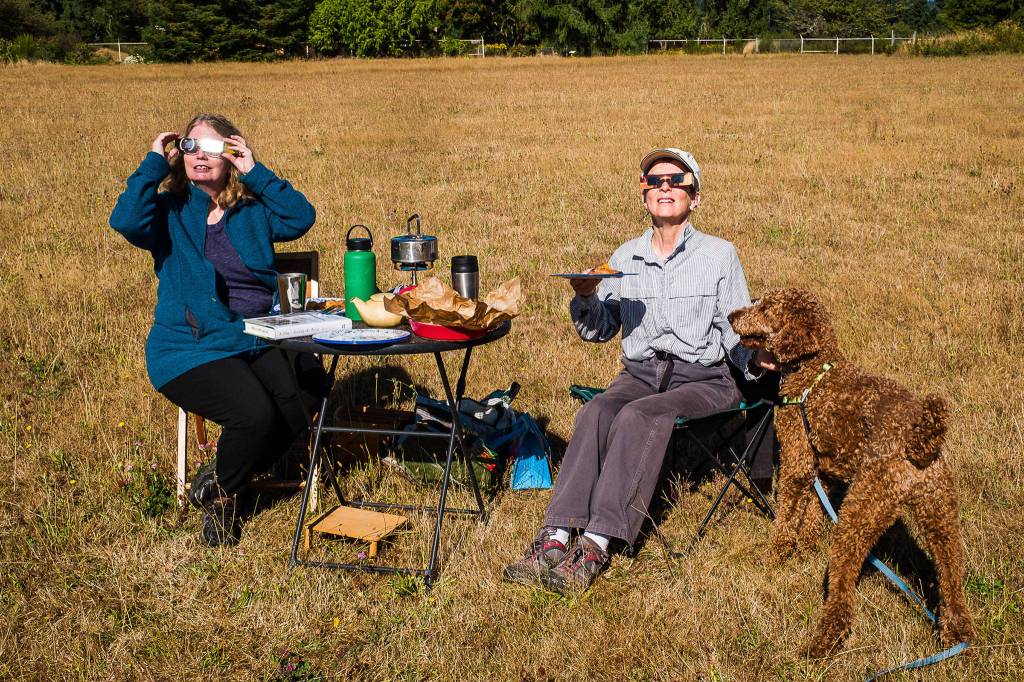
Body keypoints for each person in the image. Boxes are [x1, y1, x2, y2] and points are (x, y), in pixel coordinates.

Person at [504, 148, 776, 594]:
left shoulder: (720, 255)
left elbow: (735, 331)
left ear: (696, 195)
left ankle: (595, 542)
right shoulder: (624, 258)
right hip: (638, 374)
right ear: (643, 192)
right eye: (655, 180)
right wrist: (587, 296)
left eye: (676, 180)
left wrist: (756, 359)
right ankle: (554, 535)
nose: (665, 187)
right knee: (595, 413)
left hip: (703, 380)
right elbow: (599, 330)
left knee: (638, 416)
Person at [110, 113, 327, 547]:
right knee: (254, 413)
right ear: (180, 156)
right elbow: (126, 221)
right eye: (191, 147)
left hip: (256, 333)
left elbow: (301, 217)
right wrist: (153, 163)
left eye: (212, 149)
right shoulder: (168, 210)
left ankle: (220, 474)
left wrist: (256, 170)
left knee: (307, 391)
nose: (200, 157)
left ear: (229, 156)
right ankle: (227, 498)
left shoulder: (251, 209)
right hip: (189, 346)